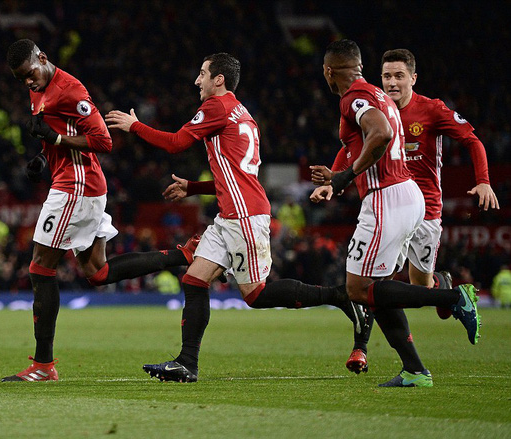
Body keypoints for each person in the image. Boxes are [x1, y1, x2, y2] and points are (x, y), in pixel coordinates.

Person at [107, 53, 367, 383]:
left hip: (243, 214)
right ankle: (187, 363)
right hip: (232, 212)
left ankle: (339, 296)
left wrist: (135, 126)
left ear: (219, 80)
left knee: (256, 295)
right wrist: (193, 187)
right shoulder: (243, 115)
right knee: (194, 280)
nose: (197, 81)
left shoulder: (216, 107)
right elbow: (236, 172)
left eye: (202, 74)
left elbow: (175, 144)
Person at [2, 39, 199, 382]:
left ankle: (43, 365)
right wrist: (41, 158)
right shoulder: (38, 89)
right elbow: (55, 133)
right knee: (98, 272)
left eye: (30, 74)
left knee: (40, 268)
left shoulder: (71, 91)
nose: (28, 83)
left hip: (76, 186)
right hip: (69, 180)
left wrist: (57, 141)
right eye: (21, 79)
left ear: (43, 58)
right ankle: (183, 254)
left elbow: (103, 140)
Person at [310, 39, 480, 387]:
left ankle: (452, 297)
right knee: (378, 287)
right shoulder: (378, 94)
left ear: (329, 71)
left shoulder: (352, 98)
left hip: (387, 198)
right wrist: (338, 178)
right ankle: (415, 370)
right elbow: (363, 140)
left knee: (357, 289)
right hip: (405, 194)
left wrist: (346, 175)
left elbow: (382, 133)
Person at [343, 48, 500, 374]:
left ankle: (442, 288)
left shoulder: (431, 110)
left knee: (418, 283)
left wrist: (483, 181)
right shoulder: (378, 109)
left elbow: (472, 140)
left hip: (425, 210)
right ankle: (361, 349)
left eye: (399, 76)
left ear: (413, 78)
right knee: (374, 281)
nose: (392, 82)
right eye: (387, 76)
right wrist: (336, 179)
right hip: (389, 206)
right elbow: (351, 146)